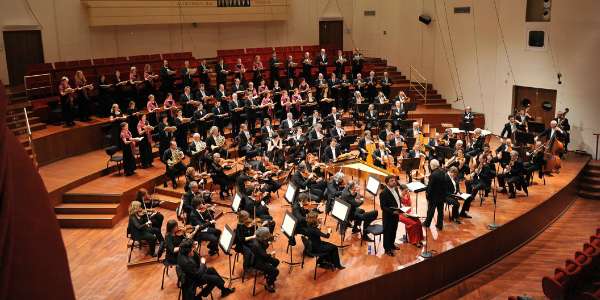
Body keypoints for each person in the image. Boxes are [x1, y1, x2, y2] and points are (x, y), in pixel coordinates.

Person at [249, 227, 279, 293]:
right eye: (267, 235)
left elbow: (264, 245)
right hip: (257, 262)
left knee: (276, 261)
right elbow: (265, 256)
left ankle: (269, 274)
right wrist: (271, 254)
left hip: (261, 257)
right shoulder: (256, 245)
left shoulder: (258, 239)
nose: (269, 235)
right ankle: (269, 283)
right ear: (263, 236)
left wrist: (269, 241)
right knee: (276, 271)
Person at [423, 159, 449, 230]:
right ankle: (439, 225)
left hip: (433, 197)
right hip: (441, 196)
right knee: (440, 211)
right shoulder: (442, 172)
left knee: (430, 211)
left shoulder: (433, 175)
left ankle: (427, 223)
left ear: (432, 165)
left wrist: (427, 195)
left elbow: (430, 187)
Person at [379, 175, 401, 256]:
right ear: (387, 183)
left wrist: (400, 207)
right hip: (389, 217)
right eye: (392, 181)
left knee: (394, 231)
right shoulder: (383, 193)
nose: (394, 182)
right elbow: (383, 207)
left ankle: (392, 244)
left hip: (396, 214)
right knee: (388, 232)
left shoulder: (395, 189)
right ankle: (387, 249)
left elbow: (397, 199)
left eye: (394, 180)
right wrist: (392, 212)